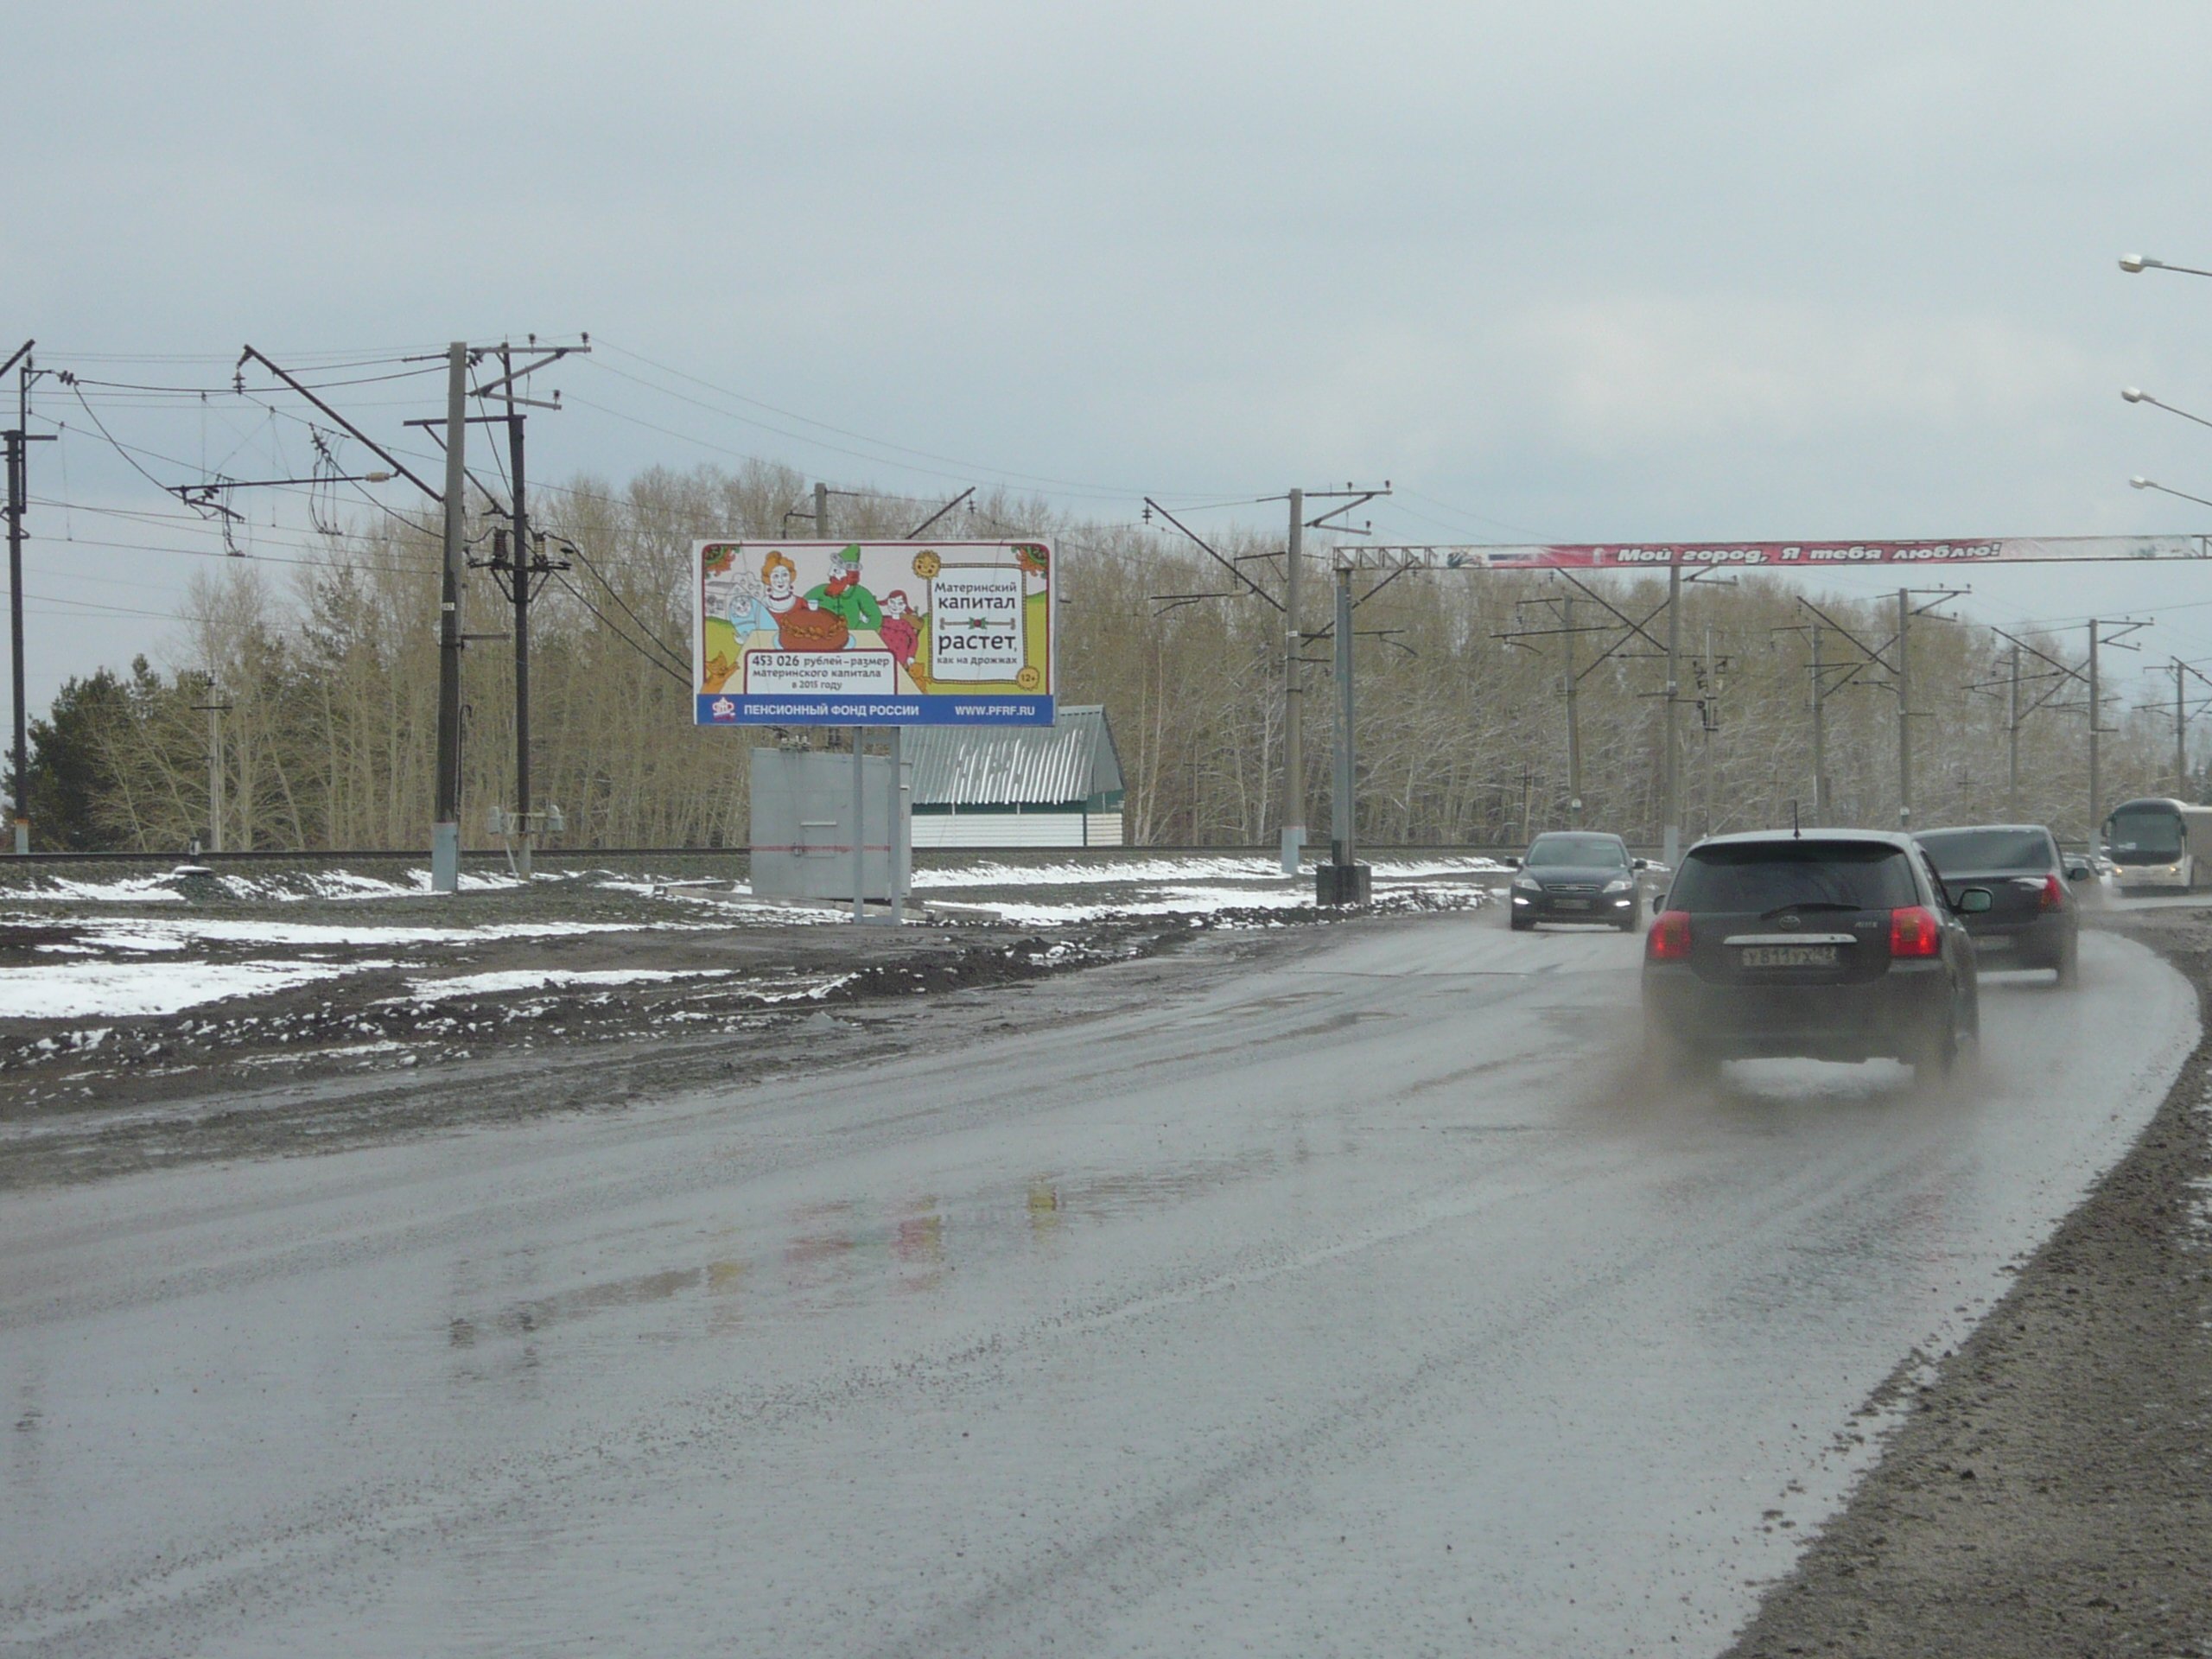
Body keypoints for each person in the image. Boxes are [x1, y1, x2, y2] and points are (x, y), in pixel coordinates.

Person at [804, 544, 882, 632]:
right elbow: (801, 606)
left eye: (836, 571)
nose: (830, 574)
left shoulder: (860, 593)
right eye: (832, 570)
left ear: (849, 575)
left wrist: (857, 629)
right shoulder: (820, 590)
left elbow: (876, 618)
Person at [728, 551, 804, 637]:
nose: (781, 580)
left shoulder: (801, 603)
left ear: (791, 576)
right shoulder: (761, 606)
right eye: (775, 576)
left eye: (785, 575)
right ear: (768, 578)